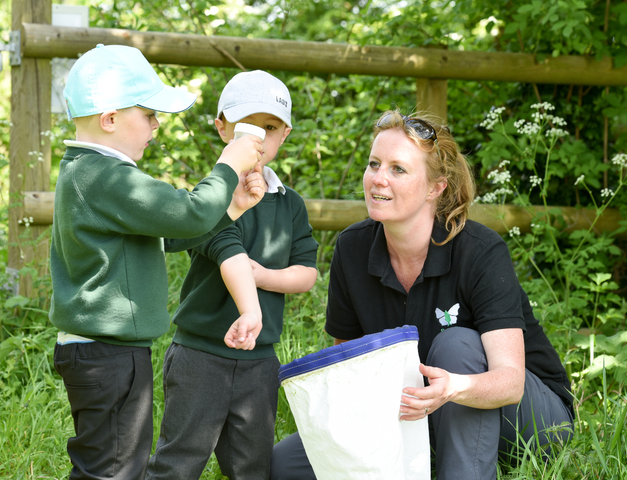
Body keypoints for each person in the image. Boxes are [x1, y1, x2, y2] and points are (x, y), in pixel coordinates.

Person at [269, 110, 574, 480]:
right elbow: (354, 371)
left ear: (436, 188)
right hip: (414, 409)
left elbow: (510, 383)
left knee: (456, 345)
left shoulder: (480, 251)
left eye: (398, 169)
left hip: (528, 421)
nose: (378, 179)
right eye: (374, 164)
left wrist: (454, 388)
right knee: (282, 465)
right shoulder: (352, 248)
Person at [49, 44, 266, 480]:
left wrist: (232, 209)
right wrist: (228, 164)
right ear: (109, 119)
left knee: (114, 466)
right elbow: (187, 212)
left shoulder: (92, 173)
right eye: (148, 114)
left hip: (109, 352)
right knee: (111, 471)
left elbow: (170, 235)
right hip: (108, 354)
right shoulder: (103, 174)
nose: (156, 125)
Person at [146, 70, 319, 480]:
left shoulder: (289, 204)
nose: (258, 139)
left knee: (251, 465)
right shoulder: (208, 197)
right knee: (180, 459)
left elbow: (306, 273)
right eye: (247, 127)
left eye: (270, 128)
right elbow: (215, 247)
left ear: (285, 134)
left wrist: (261, 276)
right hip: (200, 353)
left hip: (260, 359)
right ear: (222, 128)